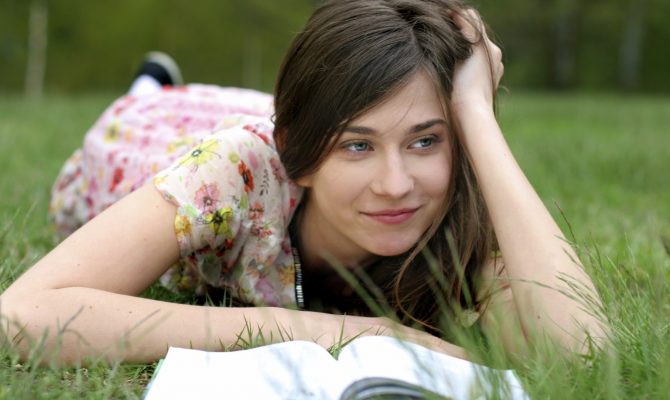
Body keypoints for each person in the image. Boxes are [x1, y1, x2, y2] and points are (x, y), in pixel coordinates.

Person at [1, 0, 607, 365]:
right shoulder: (237, 171)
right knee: (153, 112)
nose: (396, 184)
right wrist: (330, 331)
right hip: (159, 138)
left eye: (426, 139)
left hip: (274, 124)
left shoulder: (455, 197)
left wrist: (475, 112)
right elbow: (20, 316)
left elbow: (581, 353)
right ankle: (150, 85)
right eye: (357, 145)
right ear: (300, 153)